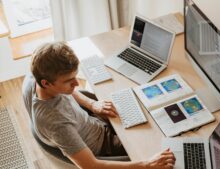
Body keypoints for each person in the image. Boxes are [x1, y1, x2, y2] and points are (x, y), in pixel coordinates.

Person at [22, 42, 175, 169]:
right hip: (104, 147)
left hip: (94, 123)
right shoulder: (56, 124)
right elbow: (91, 166)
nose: (76, 84)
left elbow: (67, 90)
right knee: (167, 149)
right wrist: (146, 164)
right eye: (69, 81)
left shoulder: (34, 78)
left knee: (146, 108)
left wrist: (92, 104)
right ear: (46, 83)